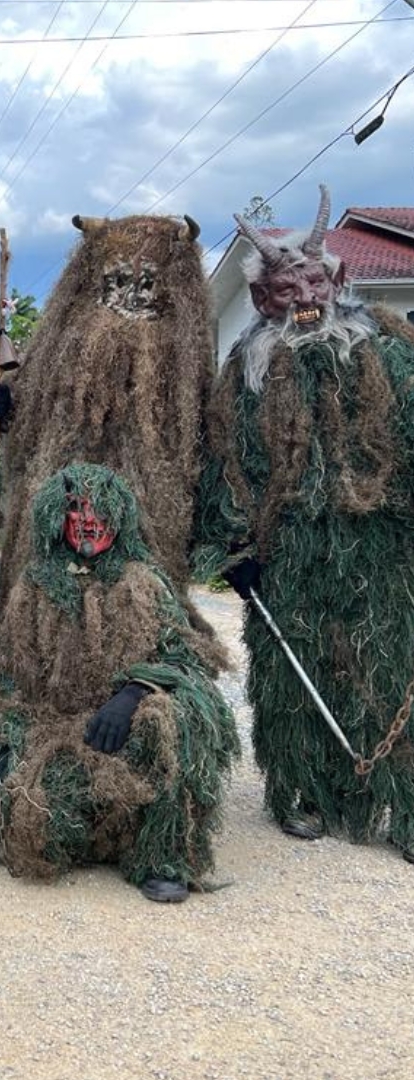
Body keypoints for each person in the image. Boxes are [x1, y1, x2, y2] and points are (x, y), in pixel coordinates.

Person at [197, 184, 414, 858]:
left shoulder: (392, 350)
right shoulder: (248, 370)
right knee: (293, 676)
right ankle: (301, 793)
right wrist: (235, 547)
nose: (306, 295)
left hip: (377, 543)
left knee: (387, 664)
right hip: (285, 548)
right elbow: (225, 460)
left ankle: (401, 806)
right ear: (264, 300)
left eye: (316, 278)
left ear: (339, 279)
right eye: (288, 288)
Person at [0, 463, 239, 901]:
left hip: (124, 729)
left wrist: (135, 693)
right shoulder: (34, 586)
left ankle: (161, 855)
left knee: (182, 718)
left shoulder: (144, 582)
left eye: (99, 508)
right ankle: (99, 830)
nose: (88, 519)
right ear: (56, 517)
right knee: (30, 802)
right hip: (55, 731)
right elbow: (11, 686)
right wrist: (6, 745)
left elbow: (187, 660)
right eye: (76, 508)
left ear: (119, 517)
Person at [0, 213, 214, 607]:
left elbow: (210, 445)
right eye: (118, 283)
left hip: (145, 541)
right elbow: (27, 418)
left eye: (146, 285)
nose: (130, 300)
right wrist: (4, 406)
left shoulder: (187, 372)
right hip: (54, 536)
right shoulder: (58, 354)